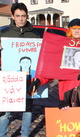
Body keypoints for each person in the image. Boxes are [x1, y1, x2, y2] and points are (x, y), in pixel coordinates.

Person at [0, 2, 40, 137]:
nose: (21, 19)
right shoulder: (3, 34)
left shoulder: (34, 36)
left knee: (28, 109)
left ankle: (25, 134)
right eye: (18, 16)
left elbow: (39, 58)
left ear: (27, 16)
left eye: (23, 16)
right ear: (12, 16)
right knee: (6, 110)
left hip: (28, 79)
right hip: (9, 78)